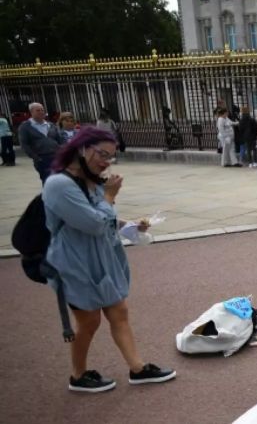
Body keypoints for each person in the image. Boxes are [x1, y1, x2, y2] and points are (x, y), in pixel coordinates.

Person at [42, 127, 176, 393]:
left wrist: (130, 225)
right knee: (89, 321)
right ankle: (78, 376)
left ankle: (138, 369)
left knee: (119, 312)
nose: (105, 162)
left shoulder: (89, 180)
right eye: (102, 154)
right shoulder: (59, 184)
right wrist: (110, 197)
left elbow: (104, 219)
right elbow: (92, 223)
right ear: (81, 148)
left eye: (111, 157)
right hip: (77, 263)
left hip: (101, 257)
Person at [18, 102, 65, 183]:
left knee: (60, 179)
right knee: (47, 180)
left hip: (56, 156)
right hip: (42, 158)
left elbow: (60, 140)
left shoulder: (51, 125)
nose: (41, 112)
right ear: (31, 112)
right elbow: (24, 144)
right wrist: (36, 157)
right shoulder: (25, 127)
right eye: (38, 110)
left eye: (42, 110)